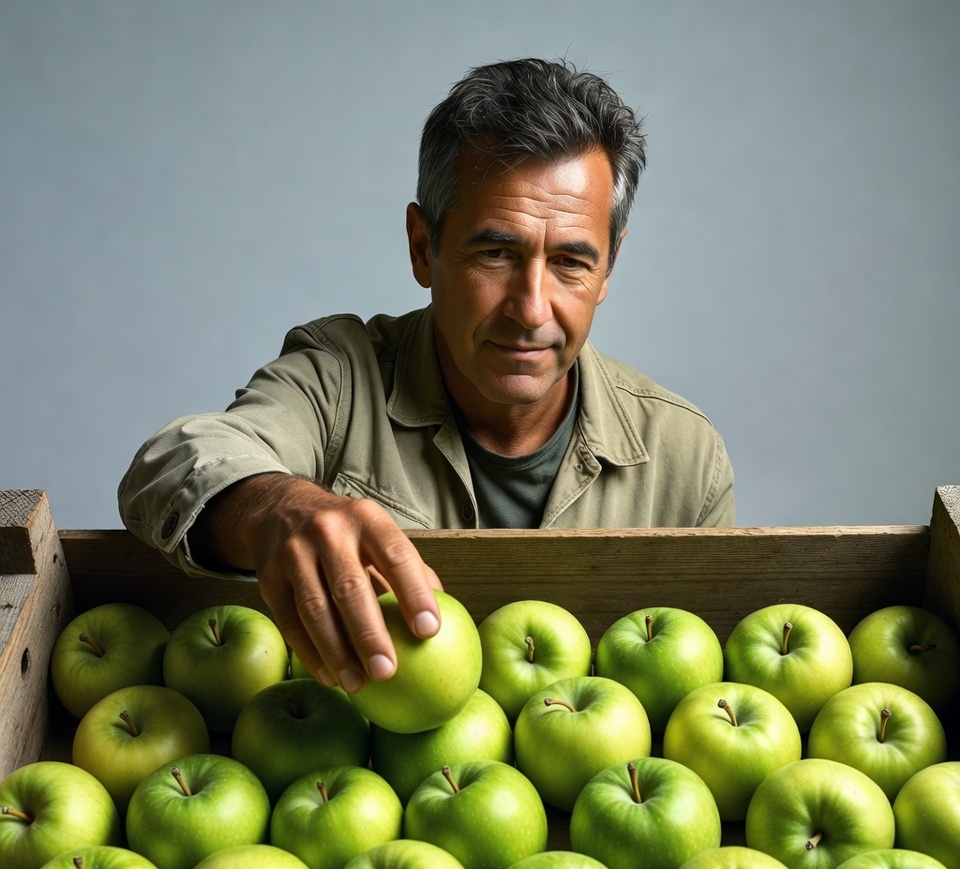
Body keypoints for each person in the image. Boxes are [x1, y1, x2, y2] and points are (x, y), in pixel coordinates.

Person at [118, 57, 735, 695]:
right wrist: (276, 508)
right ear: (423, 247)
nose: (531, 309)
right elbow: (172, 462)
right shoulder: (338, 380)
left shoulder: (686, 460)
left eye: (571, 262)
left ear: (609, 267)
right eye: (495, 253)